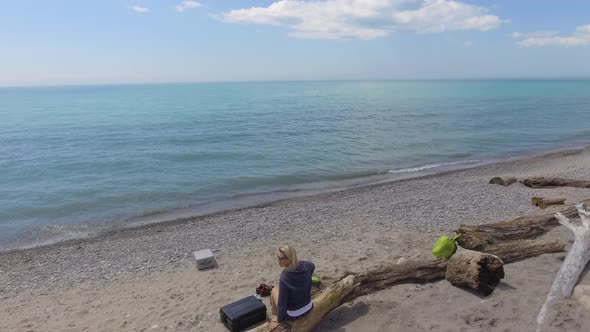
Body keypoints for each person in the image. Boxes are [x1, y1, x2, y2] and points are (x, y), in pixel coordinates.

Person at [270, 245, 315, 322]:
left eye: (280, 258)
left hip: (294, 314)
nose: (278, 260)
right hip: (309, 306)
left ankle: (275, 316)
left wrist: (280, 319)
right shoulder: (306, 265)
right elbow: (312, 266)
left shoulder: (285, 278)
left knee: (273, 290)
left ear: (289, 259)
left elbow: (282, 304)